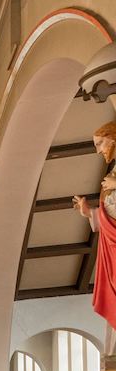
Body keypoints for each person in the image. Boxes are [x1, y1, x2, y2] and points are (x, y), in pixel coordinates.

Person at [73, 121, 116, 343]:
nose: (98, 150)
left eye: (100, 143)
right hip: (111, 240)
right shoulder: (113, 171)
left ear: (113, 138)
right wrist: (90, 212)